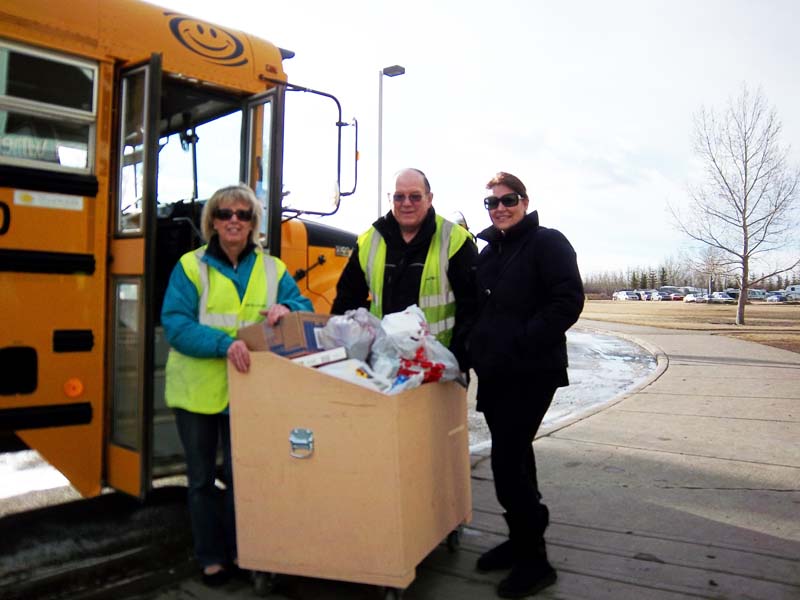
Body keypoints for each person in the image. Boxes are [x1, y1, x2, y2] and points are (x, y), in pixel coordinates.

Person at [161, 184, 312, 586]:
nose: (234, 221)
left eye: (243, 215)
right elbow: (176, 325)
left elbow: (304, 309)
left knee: (245, 477)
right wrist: (224, 345)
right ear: (212, 220)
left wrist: (287, 307)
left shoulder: (272, 268)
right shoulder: (190, 266)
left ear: (252, 224)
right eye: (226, 213)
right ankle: (211, 558)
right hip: (197, 392)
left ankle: (244, 553)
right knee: (200, 481)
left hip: (248, 394)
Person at [468, 172, 584, 598]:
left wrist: (522, 341)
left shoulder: (547, 243)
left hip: (532, 370)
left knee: (507, 461)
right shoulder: (488, 253)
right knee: (516, 460)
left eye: (508, 199)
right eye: (492, 203)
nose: (500, 207)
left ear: (524, 200)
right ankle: (521, 542)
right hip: (496, 373)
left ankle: (536, 560)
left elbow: (568, 300)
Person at [331, 168, 477, 367]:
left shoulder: (455, 240)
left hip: (439, 367)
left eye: (415, 197)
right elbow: (346, 301)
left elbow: (472, 309)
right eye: (399, 197)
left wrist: (458, 359)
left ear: (429, 198)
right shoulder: (368, 241)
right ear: (390, 199)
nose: (407, 203)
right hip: (382, 364)